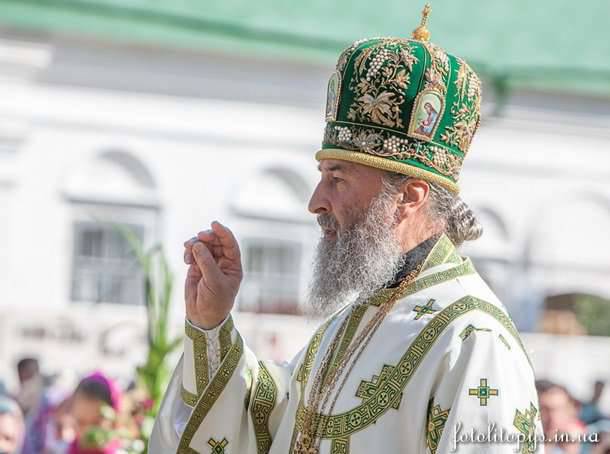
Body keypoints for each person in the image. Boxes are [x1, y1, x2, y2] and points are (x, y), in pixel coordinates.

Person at [151, 4, 542, 453]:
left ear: (410, 196)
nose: (316, 202)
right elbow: (270, 425)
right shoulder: (353, 321)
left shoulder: (473, 340)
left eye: (337, 179)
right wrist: (212, 324)